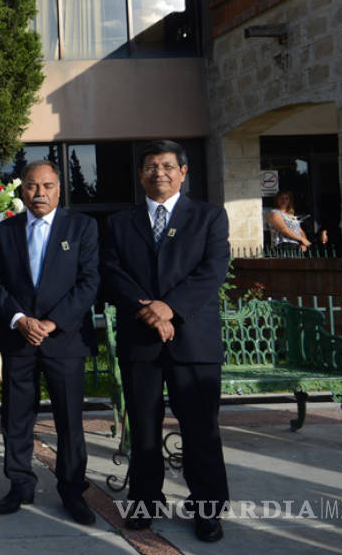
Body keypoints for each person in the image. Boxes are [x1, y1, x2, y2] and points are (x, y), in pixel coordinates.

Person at [100, 140, 231, 542]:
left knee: (200, 429)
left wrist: (169, 309)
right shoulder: (120, 223)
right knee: (142, 428)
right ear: (141, 175)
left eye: (168, 166)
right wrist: (150, 312)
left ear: (184, 172)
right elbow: (111, 272)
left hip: (193, 341)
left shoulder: (209, 217)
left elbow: (213, 271)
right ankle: (145, 500)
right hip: (141, 341)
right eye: (151, 166)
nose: (160, 172)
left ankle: (207, 508)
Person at [0, 160, 100, 524]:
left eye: (47, 186)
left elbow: (89, 282)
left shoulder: (82, 227)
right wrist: (20, 320)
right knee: (16, 417)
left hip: (64, 340)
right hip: (19, 340)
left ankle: (71, 490)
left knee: (69, 420)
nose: (40, 193)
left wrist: (50, 322)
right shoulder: (4, 232)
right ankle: (20, 484)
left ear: (59, 189)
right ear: (22, 191)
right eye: (32, 186)